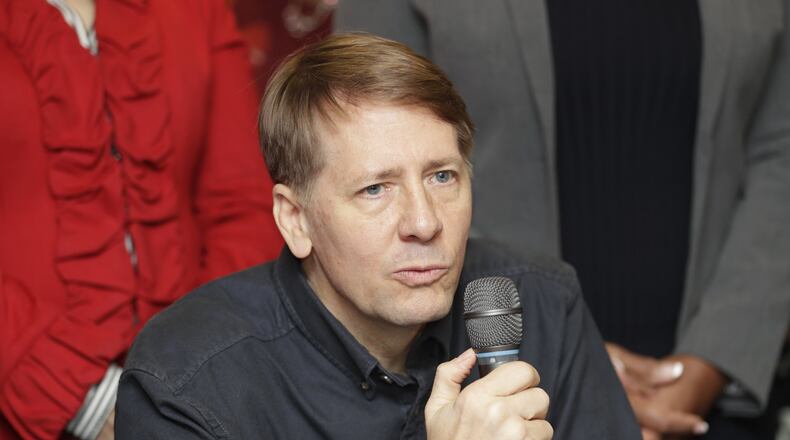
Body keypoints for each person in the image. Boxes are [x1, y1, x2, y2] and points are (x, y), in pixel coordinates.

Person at [114, 33, 641, 439]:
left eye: (442, 177)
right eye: (375, 189)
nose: (424, 222)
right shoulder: (189, 378)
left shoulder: (543, 303)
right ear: (295, 219)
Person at [335, 1, 790, 438]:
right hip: (485, 391)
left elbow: (780, 152)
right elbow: (364, 149)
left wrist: (714, 358)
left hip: (711, 396)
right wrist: (570, 355)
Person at [0, 0, 283, 438]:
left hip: (199, 394)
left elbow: (243, 203)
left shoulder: (193, 10)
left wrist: (194, 375)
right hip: (22, 389)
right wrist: (86, 399)